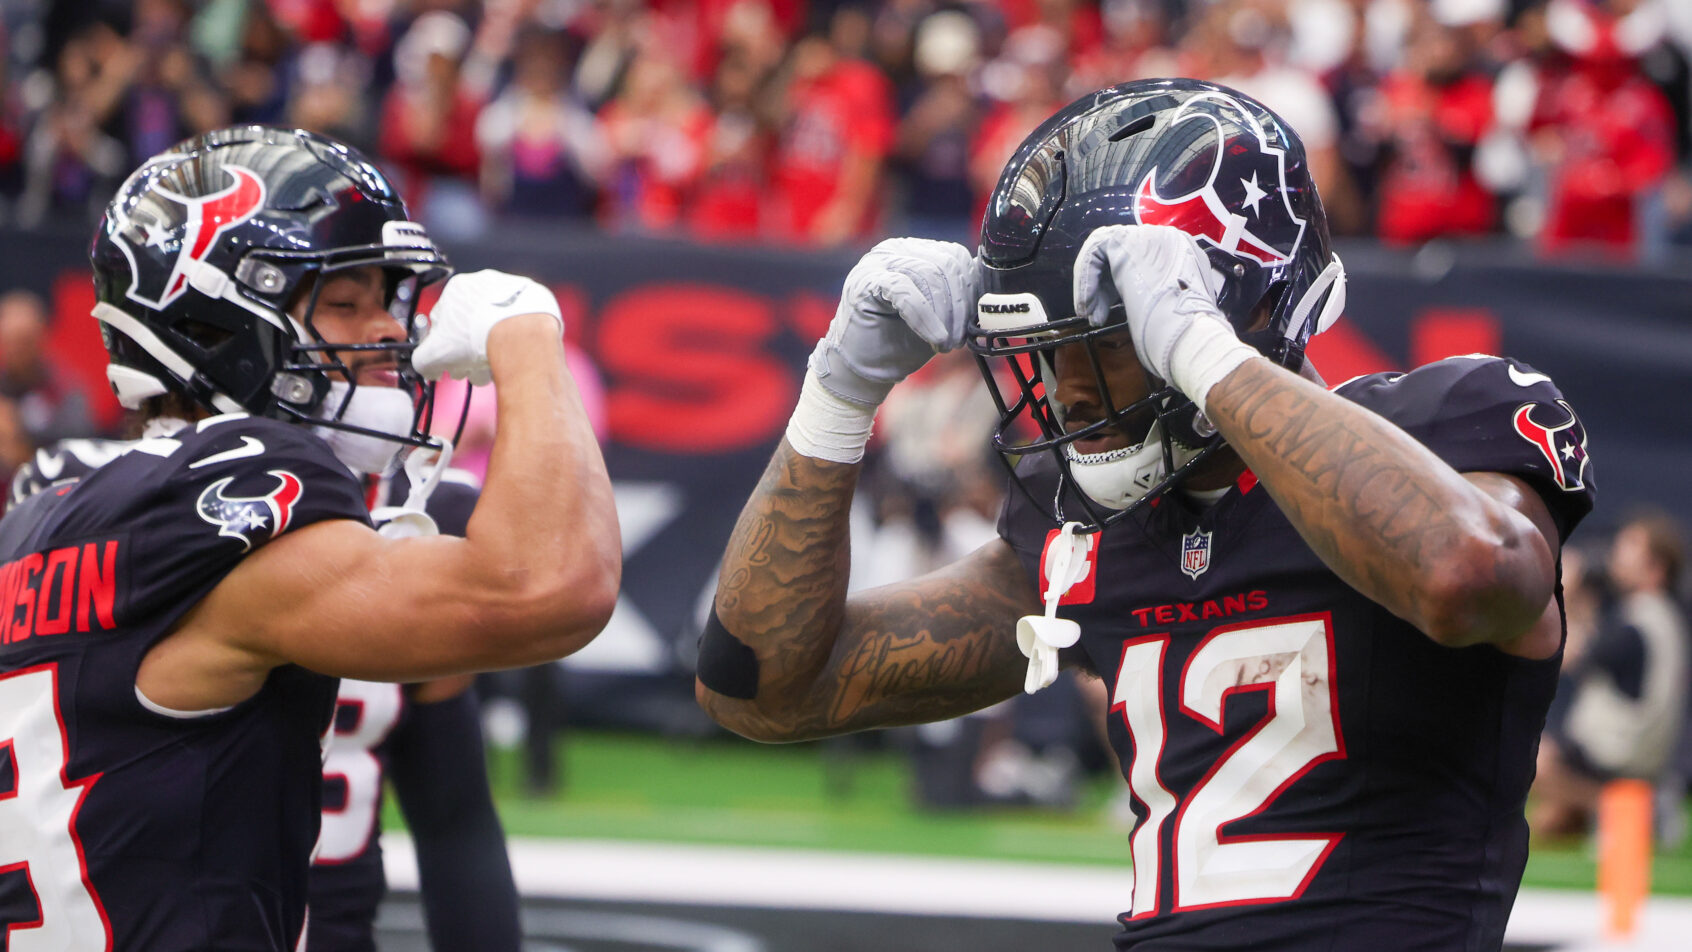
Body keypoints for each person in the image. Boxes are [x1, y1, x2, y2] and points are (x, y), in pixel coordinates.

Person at [697, 78, 1594, 949]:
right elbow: (766, 689)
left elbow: (1468, 577)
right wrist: (836, 397)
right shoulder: (1090, 523)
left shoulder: (1448, 423)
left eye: (1108, 340)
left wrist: (1204, 354)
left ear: (1235, 304)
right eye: (1048, 353)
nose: (1066, 392)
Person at [0, 125, 618, 951]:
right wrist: (529, 335)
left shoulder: (47, 508)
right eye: (347, 302)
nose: (391, 333)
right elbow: (552, 586)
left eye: (390, 303)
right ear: (215, 318)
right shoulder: (239, 488)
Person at [1533, 508, 1689, 838]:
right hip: (1646, 753)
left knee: (1532, 759)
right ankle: (1601, 816)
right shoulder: (1663, 618)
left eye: (1630, 546)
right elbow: (1599, 648)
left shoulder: (1635, 623)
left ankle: (1630, 811)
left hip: (1617, 752)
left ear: (1655, 568)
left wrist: (1565, 593)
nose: (1616, 553)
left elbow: (1566, 653)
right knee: (1552, 819)